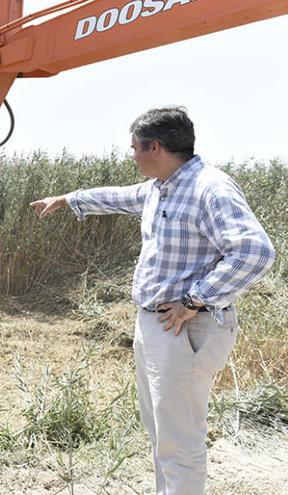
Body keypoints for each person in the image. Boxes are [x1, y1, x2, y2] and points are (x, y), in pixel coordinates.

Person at [29, 106, 275, 495]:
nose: (131, 156)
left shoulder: (209, 189)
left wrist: (195, 301)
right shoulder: (161, 186)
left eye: (134, 148)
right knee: (163, 431)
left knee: (179, 435)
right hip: (159, 324)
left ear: (155, 147)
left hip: (186, 325)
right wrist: (67, 198)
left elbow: (255, 253)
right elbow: (120, 197)